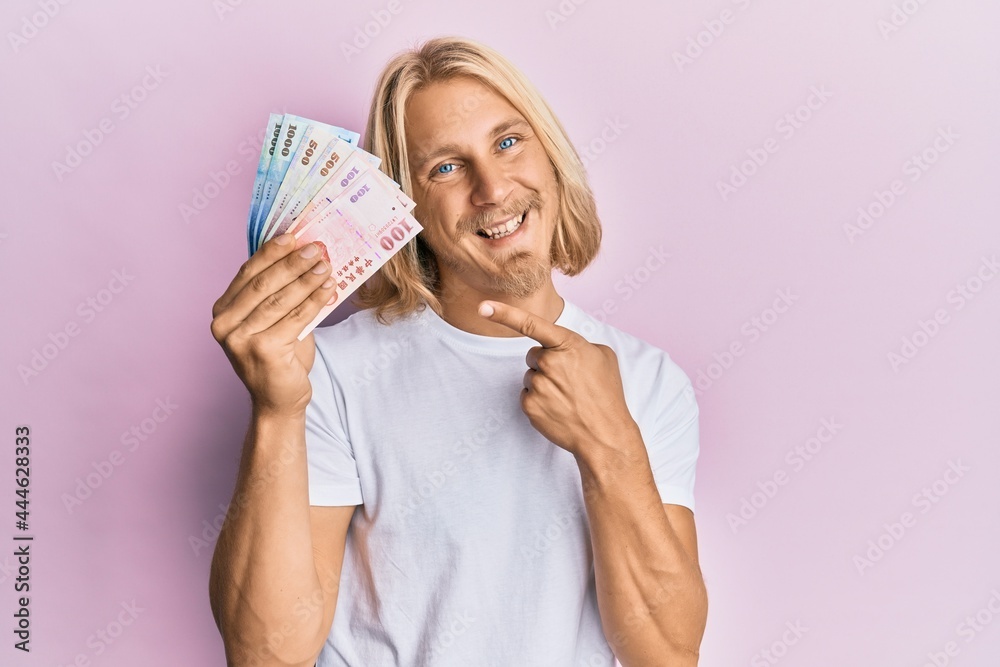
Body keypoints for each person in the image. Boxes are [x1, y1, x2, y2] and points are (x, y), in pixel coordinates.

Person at [208, 36, 708, 667]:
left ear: (550, 155)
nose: (493, 189)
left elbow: (666, 655)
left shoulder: (650, 380)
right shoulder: (326, 372)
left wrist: (610, 444)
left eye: (507, 142)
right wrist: (276, 411)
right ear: (405, 204)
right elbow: (265, 655)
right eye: (445, 166)